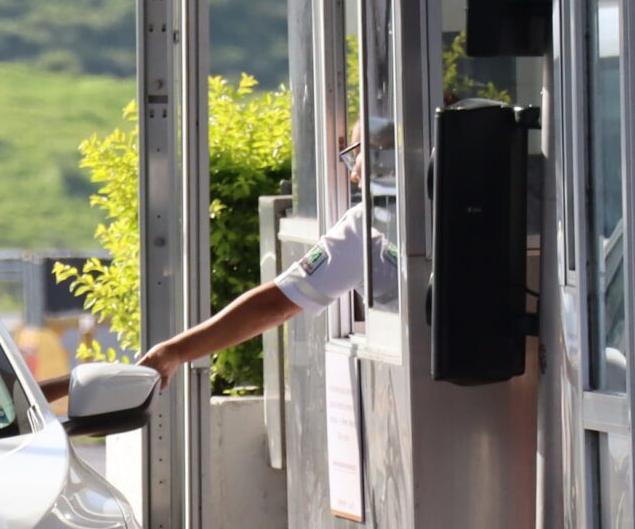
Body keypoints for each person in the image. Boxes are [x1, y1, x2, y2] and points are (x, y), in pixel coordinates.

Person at [42, 141, 394, 402]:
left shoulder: (367, 225)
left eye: (354, 152)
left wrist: (174, 352)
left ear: (381, 147)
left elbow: (277, 303)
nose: (353, 172)